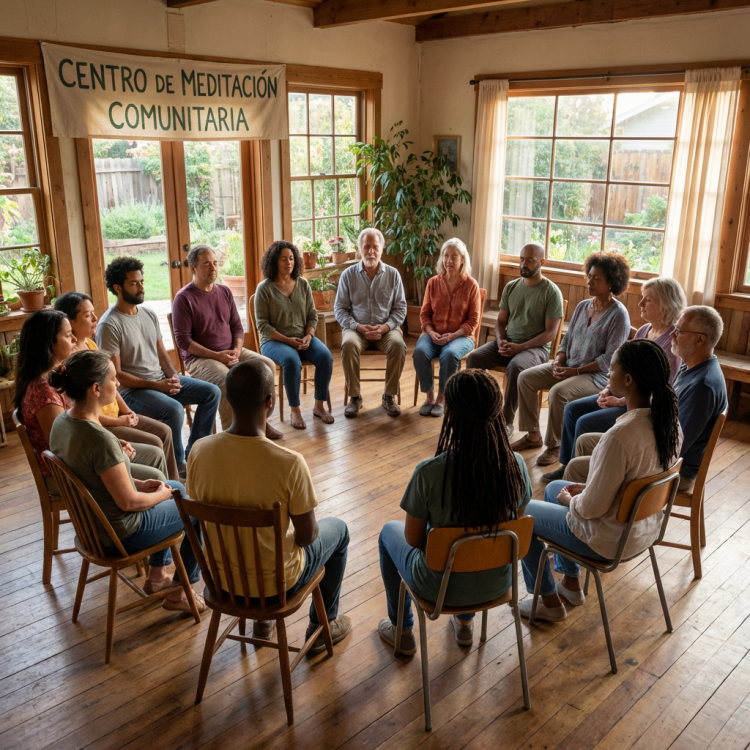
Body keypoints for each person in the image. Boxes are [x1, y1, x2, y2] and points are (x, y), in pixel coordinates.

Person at [187, 358, 351, 653]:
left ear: (228, 397)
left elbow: (200, 515)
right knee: (338, 531)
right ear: (271, 403)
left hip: (222, 582)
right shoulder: (288, 464)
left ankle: (262, 623)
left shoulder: (199, 451)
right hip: (275, 586)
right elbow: (305, 537)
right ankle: (320, 626)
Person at [519, 339, 682, 622]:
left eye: (613, 369)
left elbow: (590, 509)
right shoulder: (670, 424)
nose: (608, 374)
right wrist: (583, 491)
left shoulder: (620, 437)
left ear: (629, 380)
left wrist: (573, 501)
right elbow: (635, 483)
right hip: (644, 528)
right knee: (556, 487)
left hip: (610, 540)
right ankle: (570, 584)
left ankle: (547, 602)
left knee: (522, 514)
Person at [377, 369, 532, 655]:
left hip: (438, 589)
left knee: (389, 533)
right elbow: (516, 521)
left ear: (450, 414)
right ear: (497, 411)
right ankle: (464, 624)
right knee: (478, 533)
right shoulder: (516, 466)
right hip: (498, 583)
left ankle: (403, 629)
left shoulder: (429, 473)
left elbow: (412, 540)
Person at [48, 350, 205, 613]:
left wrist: (144, 485)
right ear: (96, 388)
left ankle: (157, 575)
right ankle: (179, 594)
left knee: (176, 486)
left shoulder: (63, 422)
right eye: (113, 379)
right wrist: (160, 496)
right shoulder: (100, 440)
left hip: (91, 529)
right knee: (193, 509)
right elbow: (129, 502)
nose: (118, 383)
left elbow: (96, 477)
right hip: (119, 534)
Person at [563, 306, 728, 494]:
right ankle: (592, 504)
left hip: (673, 472)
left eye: (680, 331)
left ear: (700, 339)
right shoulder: (693, 367)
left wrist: (633, 441)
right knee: (585, 442)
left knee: (576, 467)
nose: (672, 334)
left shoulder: (702, 387)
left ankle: (588, 509)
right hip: (659, 447)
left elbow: (675, 447)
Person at [543, 277, 686, 482]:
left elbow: (661, 391)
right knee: (572, 410)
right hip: (623, 396)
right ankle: (567, 465)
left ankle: (584, 476)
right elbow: (623, 367)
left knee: (584, 422)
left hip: (641, 408)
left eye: (647, 300)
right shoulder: (645, 330)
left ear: (666, 304)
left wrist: (619, 400)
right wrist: (607, 390)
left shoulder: (670, 344)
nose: (640, 304)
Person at [96, 256, 221, 477]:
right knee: (172, 409)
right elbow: (117, 377)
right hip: (133, 391)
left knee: (212, 392)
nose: (141, 287)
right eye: (134, 283)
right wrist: (158, 385)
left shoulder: (149, 314)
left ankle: (195, 452)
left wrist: (173, 377)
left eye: (141, 281)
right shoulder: (109, 324)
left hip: (159, 381)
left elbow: (163, 355)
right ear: (117, 288)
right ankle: (179, 465)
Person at [15, 310, 166, 491]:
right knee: (155, 473)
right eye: (67, 334)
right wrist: (112, 450)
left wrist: (114, 444)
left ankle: (159, 507)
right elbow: (64, 448)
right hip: (68, 474)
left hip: (83, 458)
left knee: (155, 453)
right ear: (48, 342)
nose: (73, 339)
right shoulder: (44, 392)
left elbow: (81, 425)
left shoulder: (56, 376)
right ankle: (143, 513)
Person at [511, 252, 631, 466]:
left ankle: (555, 446)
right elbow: (567, 339)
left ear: (612, 282)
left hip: (597, 377)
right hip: (569, 366)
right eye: (589, 276)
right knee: (526, 378)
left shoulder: (619, 315)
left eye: (597, 279)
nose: (590, 282)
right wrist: (558, 359)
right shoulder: (583, 306)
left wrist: (574, 372)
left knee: (558, 393)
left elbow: (609, 360)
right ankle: (533, 436)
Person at [55, 291, 179, 481]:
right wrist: (121, 421)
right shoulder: (71, 363)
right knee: (155, 442)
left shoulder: (90, 344)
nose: (95, 318)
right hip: (104, 424)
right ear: (69, 322)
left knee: (165, 431)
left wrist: (127, 411)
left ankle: (173, 482)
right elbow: (85, 413)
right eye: (88, 315)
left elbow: (112, 381)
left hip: (117, 416)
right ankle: (161, 486)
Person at [172, 244, 281, 440]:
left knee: (267, 366)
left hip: (230, 351)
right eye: (206, 264)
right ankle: (234, 436)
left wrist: (236, 351)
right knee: (226, 380)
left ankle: (261, 423)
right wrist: (217, 355)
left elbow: (237, 327)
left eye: (215, 263)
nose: (213, 268)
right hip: (200, 359)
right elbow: (183, 341)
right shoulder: (184, 298)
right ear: (193, 268)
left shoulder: (224, 291)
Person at [466, 242, 564, 435]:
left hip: (535, 349)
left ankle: (506, 421)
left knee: (516, 367)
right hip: (508, 343)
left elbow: (551, 334)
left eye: (529, 260)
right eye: (521, 259)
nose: (523, 264)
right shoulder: (511, 287)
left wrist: (520, 347)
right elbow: (500, 322)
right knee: (473, 359)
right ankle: (479, 413)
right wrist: (501, 340)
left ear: (542, 262)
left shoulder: (551, 292)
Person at [254, 241, 334, 430]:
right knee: (291, 361)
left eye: (291, 258)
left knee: (326, 357)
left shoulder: (303, 284)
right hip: (274, 341)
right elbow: (262, 326)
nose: (288, 262)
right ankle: (295, 410)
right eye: (283, 259)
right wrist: (288, 341)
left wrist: (309, 336)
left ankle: (319, 406)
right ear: (274, 261)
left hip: (302, 338)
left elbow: (312, 315)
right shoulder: (264, 289)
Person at [334, 228, 407, 418]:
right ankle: (355, 397)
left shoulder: (393, 275)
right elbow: (339, 309)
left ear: (382, 249)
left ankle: (389, 396)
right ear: (359, 248)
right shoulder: (348, 275)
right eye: (366, 247)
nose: (371, 251)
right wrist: (358, 326)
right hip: (357, 329)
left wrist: (385, 327)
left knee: (399, 345)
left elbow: (400, 309)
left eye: (375, 247)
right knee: (348, 344)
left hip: (386, 329)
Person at [413, 238, 481, 418]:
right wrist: (431, 332)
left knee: (449, 354)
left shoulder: (471, 285)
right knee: (419, 351)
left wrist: (452, 336)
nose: (449, 261)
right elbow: (424, 314)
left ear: (462, 259)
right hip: (433, 333)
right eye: (446, 256)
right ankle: (429, 396)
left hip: (462, 337)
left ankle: (442, 398)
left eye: (454, 256)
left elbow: (473, 321)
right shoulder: (433, 283)